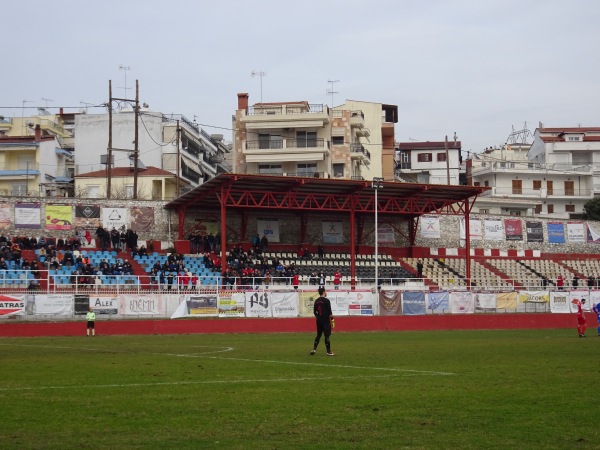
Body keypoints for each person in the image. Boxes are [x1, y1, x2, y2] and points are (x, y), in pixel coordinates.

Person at [310, 286, 335, 356]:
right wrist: (332, 321)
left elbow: (315, 312)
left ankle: (314, 349)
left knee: (318, 335)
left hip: (318, 321)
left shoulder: (316, 301)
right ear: (324, 292)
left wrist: (318, 317)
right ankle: (328, 351)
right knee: (327, 336)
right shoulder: (327, 301)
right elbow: (330, 312)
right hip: (325, 321)